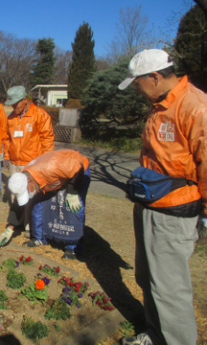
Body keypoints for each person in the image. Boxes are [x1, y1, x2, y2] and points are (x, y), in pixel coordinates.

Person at [118, 49, 207, 345]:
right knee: (148, 279)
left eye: (138, 82)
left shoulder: (195, 106)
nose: (136, 89)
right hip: (149, 205)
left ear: (154, 77)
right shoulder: (160, 105)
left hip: (174, 211)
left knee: (169, 289)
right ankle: (156, 334)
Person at [0, 150, 90, 259]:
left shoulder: (52, 167)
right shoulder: (22, 178)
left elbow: (77, 167)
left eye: (26, 191)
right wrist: (10, 229)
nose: (27, 194)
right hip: (54, 178)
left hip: (78, 171)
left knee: (74, 208)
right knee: (37, 206)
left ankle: (73, 247)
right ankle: (40, 238)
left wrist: (72, 192)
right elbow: (19, 205)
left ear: (29, 182)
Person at [2, 86, 54, 239]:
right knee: (16, 194)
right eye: (11, 104)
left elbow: (47, 139)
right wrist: (6, 155)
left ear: (25, 100)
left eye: (16, 104)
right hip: (14, 163)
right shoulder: (11, 117)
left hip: (31, 164)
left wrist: (44, 162)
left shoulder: (39, 115)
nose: (13, 107)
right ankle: (17, 222)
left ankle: (29, 225)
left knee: (30, 196)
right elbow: (7, 138)